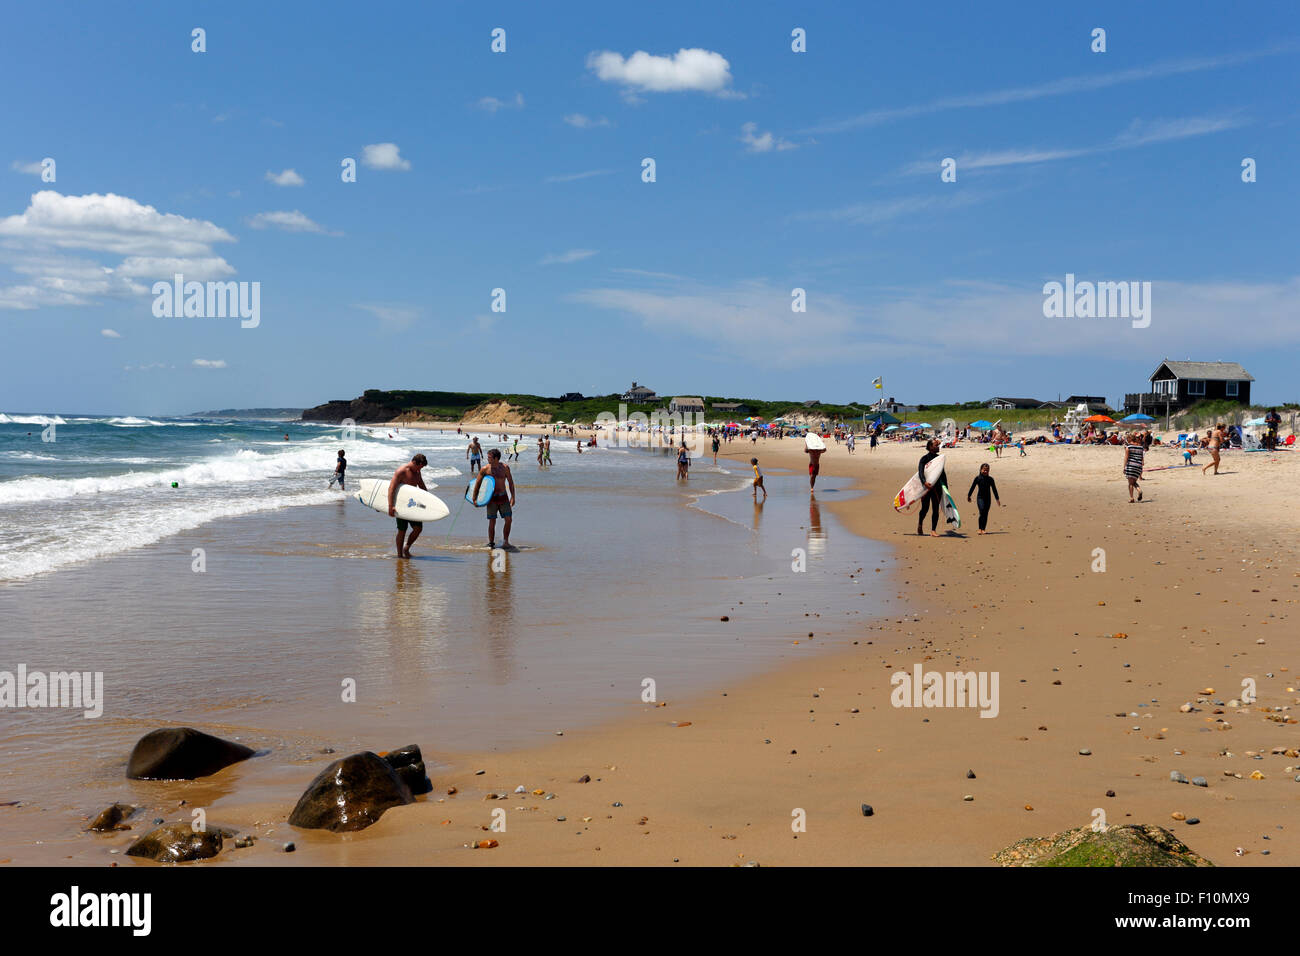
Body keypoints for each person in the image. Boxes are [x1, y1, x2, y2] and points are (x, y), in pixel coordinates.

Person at [473, 448, 516, 550]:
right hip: (491, 499)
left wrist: (513, 497)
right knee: (492, 521)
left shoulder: (505, 468)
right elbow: (477, 483)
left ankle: (506, 542)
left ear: (496, 458)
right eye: (488, 457)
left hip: (503, 497)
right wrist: (474, 498)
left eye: (489, 457)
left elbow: (510, 482)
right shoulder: (485, 469)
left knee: (508, 520)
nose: (487, 459)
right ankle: (491, 543)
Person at [389, 453, 429, 558]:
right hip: (400, 505)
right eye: (420, 466)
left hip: (413, 504)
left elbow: (422, 486)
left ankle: (406, 548)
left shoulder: (417, 471)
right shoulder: (401, 471)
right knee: (402, 530)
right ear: (415, 462)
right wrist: (390, 506)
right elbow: (391, 489)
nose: (420, 469)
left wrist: (428, 502)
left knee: (418, 528)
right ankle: (399, 555)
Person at [916, 438, 948, 537]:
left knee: (935, 509)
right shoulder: (924, 459)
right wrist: (924, 482)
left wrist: (946, 489)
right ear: (930, 447)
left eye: (937, 445)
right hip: (926, 488)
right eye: (935, 445)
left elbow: (942, 474)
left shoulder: (939, 459)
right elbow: (920, 472)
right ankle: (920, 523)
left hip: (937, 487)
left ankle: (933, 530)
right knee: (925, 509)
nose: (938, 447)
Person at [966, 463, 1000, 534]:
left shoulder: (990, 479)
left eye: (987, 470)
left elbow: (994, 489)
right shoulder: (977, 478)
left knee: (985, 513)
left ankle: (983, 529)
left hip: (988, 498)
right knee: (982, 511)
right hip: (980, 498)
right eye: (984, 470)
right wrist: (969, 496)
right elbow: (972, 487)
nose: (985, 471)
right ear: (981, 470)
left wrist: (997, 499)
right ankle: (979, 529)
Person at [1124, 431, 1145, 502]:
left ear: (1129, 439)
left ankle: (1131, 498)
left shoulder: (1128, 447)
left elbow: (1126, 458)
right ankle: (1139, 490)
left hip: (1131, 465)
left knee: (1130, 483)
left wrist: (1124, 467)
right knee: (1133, 482)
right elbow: (1142, 458)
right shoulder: (1141, 448)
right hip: (1138, 466)